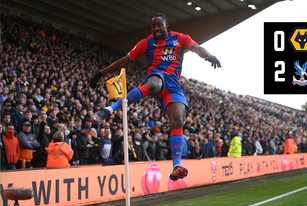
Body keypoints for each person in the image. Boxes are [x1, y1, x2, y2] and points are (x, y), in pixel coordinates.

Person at [89, 13, 221, 181]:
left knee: (178, 119)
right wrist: (100, 73)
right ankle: (110, 109)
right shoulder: (146, 43)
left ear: (166, 24)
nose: (156, 28)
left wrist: (208, 55)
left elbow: (196, 48)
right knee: (154, 84)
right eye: (153, 26)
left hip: (174, 86)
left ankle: (176, 166)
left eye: (159, 25)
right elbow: (125, 61)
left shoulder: (180, 38)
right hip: (157, 76)